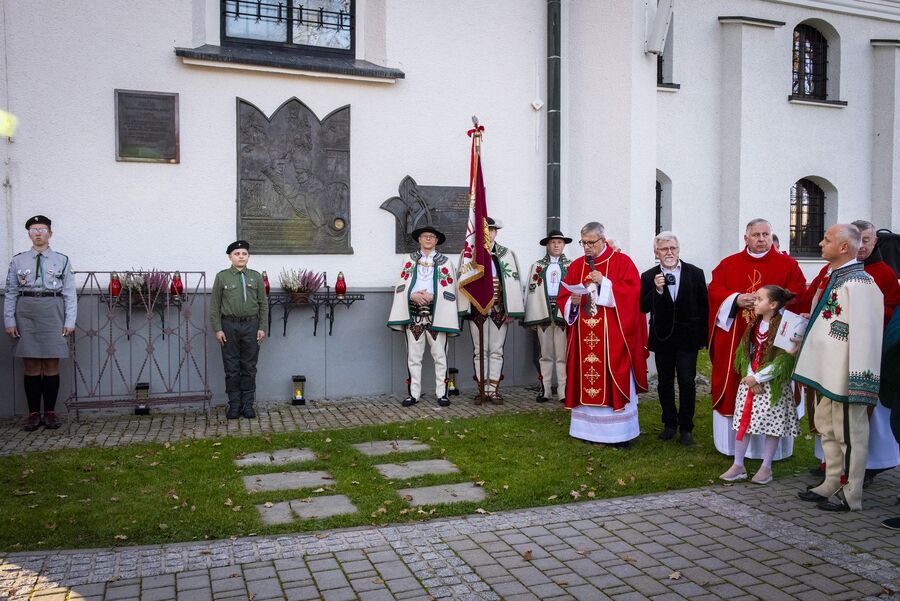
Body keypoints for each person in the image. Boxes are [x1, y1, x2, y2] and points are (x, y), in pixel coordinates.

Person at [801, 219, 900, 485]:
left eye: (827, 240)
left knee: (850, 434)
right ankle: (830, 483)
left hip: (848, 377)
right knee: (828, 428)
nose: (821, 243)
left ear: (844, 247)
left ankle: (851, 492)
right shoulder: (836, 277)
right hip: (828, 372)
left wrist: (860, 383)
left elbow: (866, 337)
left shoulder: (861, 284)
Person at [707, 218, 806, 458]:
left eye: (766, 234)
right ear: (746, 238)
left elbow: (799, 294)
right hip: (736, 338)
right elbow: (714, 290)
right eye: (756, 235)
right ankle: (734, 448)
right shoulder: (729, 264)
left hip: (774, 340)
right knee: (734, 383)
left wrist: (774, 309)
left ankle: (771, 452)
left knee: (772, 384)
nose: (761, 239)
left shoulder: (788, 265)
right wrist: (735, 299)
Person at [556, 222, 648, 446]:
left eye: (590, 243)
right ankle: (587, 432)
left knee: (614, 376)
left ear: (603, 241)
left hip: (614, 338)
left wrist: (605, 283)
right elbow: (564, 296)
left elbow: (633, 293)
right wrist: (573, 302)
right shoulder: (577, 266)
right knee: (585, 378)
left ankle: (619, 434)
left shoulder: (622, 262)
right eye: (583, 243)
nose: (586, 247)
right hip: (584, 338)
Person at [719, 285, 800, 484]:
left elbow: (784, 359)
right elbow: (746, 350)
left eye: (758, 299)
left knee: (772, 425)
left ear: (772, 305)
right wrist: (750, 377)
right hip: (750, 380)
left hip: (772, 385)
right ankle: (738, 465)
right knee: (742, 423)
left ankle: (766, 467)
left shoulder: (784, 327)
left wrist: (760, 378)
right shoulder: (754, 324)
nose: (754, 302)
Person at [4, 215, 77, 431]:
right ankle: (34, 413)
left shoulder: (62, 260)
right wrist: (9, 320)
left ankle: (51, 413)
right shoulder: (18, 260)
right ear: (28, 233)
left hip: (53, 311)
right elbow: (10, 292)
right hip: (26, 312)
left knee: (51, 363)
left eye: (42, 229)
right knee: (31, 364)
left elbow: (70, 294)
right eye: (34, 229)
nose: (38, 233)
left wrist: (70, 320)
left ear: (50, 234)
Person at [640, 232, 709, 446]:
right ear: (656, 252)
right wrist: (657, 290)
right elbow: (642, 307)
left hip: (687, 338)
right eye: (664, 249)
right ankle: (669, 424)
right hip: (662, 338)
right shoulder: (648, 276)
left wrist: (703, 337)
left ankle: (686, 427)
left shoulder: (695, 273)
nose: (669, 253)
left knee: (687, 382)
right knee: (665, 383)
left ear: (678, 250)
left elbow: (704, 306)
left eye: (673, 248)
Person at [388, 225, 460, 407]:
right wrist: (412, 294)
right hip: (414, 315)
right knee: (413, 356)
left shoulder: (446, 262)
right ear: (419, 240)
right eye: (424, 236)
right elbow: (401, 284)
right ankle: (413, 394)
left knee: (440, 356)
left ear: (436, 241)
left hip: (437, 314)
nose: (428, 239)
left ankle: (442, 393)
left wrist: (433, 296)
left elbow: (450, 288)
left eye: (431, 237)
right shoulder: (408, 260)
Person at [457, 217, 524, 403]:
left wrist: (511, 309)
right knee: (479, 350)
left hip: (498, 309)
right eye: (485, 230)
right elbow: (462, 282)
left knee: (496, 350)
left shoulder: (506, 255)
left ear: (496, 233)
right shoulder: (469, 254)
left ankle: (492, 389)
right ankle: (481, 389)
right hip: (477, 309)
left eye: (492, 230)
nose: (489, 234)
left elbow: (513, 283)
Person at [210, 240, 268, 419]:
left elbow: (263, 304)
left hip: (251, 326)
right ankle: (234, 405)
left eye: (244, 254)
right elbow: (214, 306)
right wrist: (218, 329)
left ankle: (247, 405)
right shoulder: (222, 277)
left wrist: (262, 327)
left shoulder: (256, 277)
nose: (241, 257)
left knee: (249, 367)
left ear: (248, 256)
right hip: (229, 326)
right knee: (232, 367)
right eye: (237, 254)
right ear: (230, 257)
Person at [524, 229, 572, 403]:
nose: (556, 245)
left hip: (562, 315)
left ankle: (563, 390)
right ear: (547, 245)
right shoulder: (538, 266)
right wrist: (532, 314)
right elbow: (531, 292)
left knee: (562, 354)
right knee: (545, 354)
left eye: (559, 242)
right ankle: (545, 389)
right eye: (553, 242)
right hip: (543, 313)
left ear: (564, 245)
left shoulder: (571, 266)